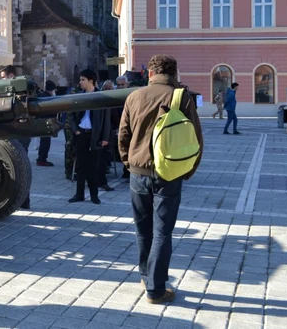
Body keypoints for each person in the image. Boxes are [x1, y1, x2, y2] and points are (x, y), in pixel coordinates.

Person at [118, 54, 203, 304]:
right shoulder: (180, 96)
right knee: (162, 232)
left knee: (143, 230)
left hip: (137, 173)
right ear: (174, 73)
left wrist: (129, 162)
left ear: (150, 74)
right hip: (168, 173)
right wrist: (188, 170)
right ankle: (156, 290)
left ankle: (146, 277)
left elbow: (123, 134)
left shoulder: (134, 96)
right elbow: (195, 138)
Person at [68, 69, 111, 205]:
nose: (80, 82)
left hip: (95, 136)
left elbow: (106, 120)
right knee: (80, 165)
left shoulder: (101, 97)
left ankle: (94, 195)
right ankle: (79, 194)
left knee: (94, 167)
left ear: (90, 81)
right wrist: (75, 130)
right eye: (80, 80)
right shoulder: (80, 96)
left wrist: (105, 138)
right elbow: (73, 116)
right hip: (82, 134)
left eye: (83, 80)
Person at [0, 65, 31, 209]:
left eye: (4, 77)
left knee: (21, 166)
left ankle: (24, 200)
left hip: (20, 134)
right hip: (9, 133)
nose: (2, 80)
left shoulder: (21, 90)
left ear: (12, 76)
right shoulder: (6, 90)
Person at [62, 80, 81, 180]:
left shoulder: (82, 91)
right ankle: (69, 171)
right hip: (70, 125)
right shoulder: (75, 92)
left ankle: (75, 169)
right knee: (70, 147)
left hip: (76, 125)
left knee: (75, 148)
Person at [36, 80, 57, 167]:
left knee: (44, 142)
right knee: (45, 142)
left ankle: (41, 158)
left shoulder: (42, 96)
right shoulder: (48, 98)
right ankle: (42, 159)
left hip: (42, 122)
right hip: (45, 123)